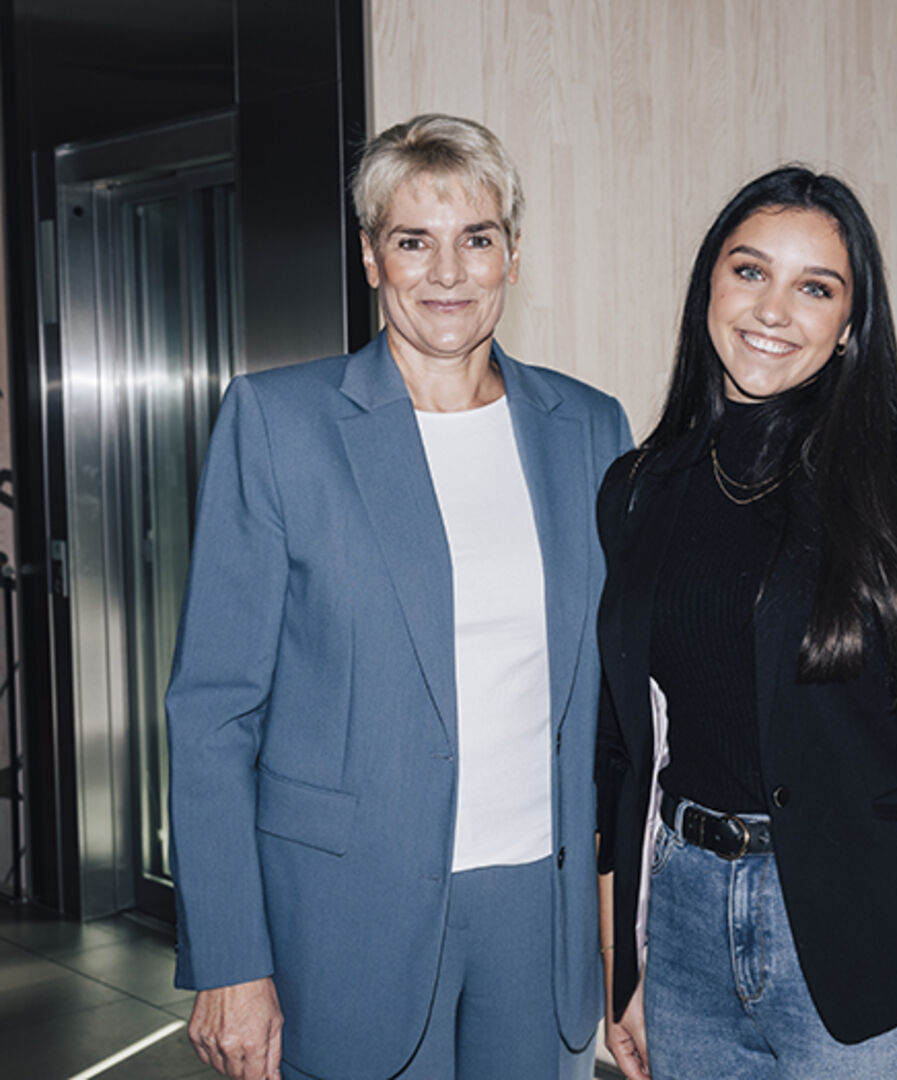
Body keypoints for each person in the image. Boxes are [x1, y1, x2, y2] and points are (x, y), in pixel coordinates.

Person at [166, 113, 631, 1080]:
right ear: (372, 257)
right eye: (413, 240)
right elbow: (212, 711)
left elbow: (623, 700)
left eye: (477, 239)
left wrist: (622, 934)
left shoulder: (588, 426)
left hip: (535, 916)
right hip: (346, 912)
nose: (447, 273)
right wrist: (232, 960)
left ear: (511, 255)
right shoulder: (279, 423)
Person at [594, 165, 897, 1080]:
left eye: (814, 287)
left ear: (849, 325)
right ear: (709, 283)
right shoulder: (637, 490)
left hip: (865, 950)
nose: (773, 309)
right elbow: (620, 754)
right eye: (750, 272)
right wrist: (619, 967)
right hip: (681, 934)